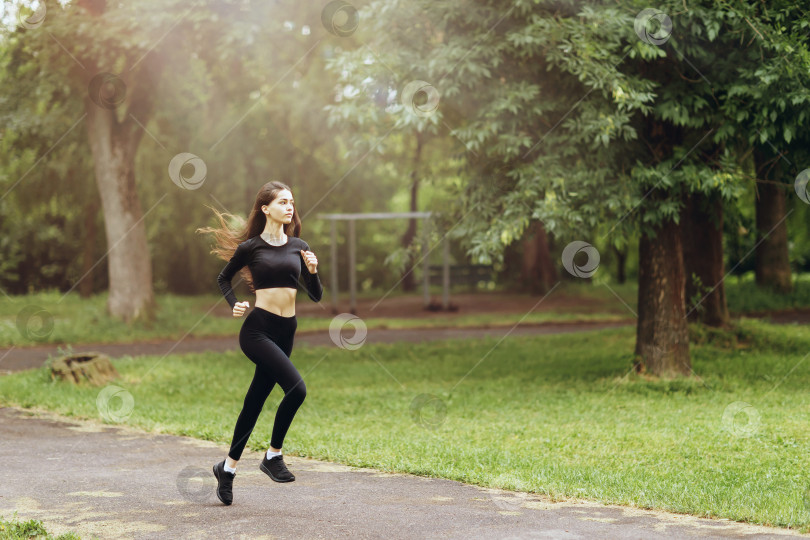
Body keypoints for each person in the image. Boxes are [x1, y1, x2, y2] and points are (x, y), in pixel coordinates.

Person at [197, 181, 323, 506]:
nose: (289, 207)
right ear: (266, 208)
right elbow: (223, 278)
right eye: (282, 202)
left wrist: (312, 271)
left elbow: (316, 295)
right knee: (298, 390)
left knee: (254, 402)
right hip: (258, 330)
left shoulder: (300, 245)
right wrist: (233, 304)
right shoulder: (251, 247)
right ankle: (273, 456)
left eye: (292, 202)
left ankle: (227, 469)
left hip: (287, 330)